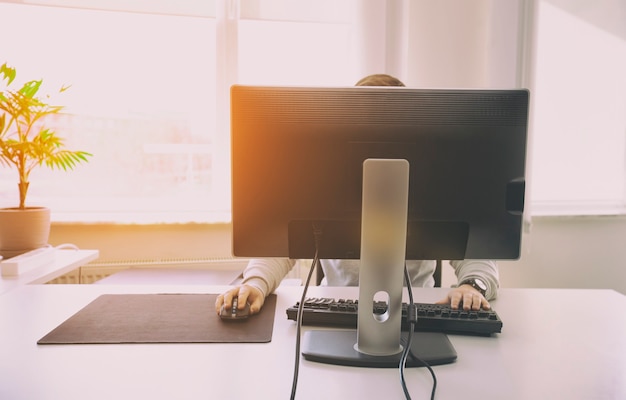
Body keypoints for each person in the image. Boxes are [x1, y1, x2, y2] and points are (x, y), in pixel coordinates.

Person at [216, 73, 499, 317]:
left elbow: (476, 254)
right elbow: (281, 245)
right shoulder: (325, 183)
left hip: (416, 312)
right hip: (332, 307)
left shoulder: (432, 185)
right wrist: (254, 284)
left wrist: (471, 286)